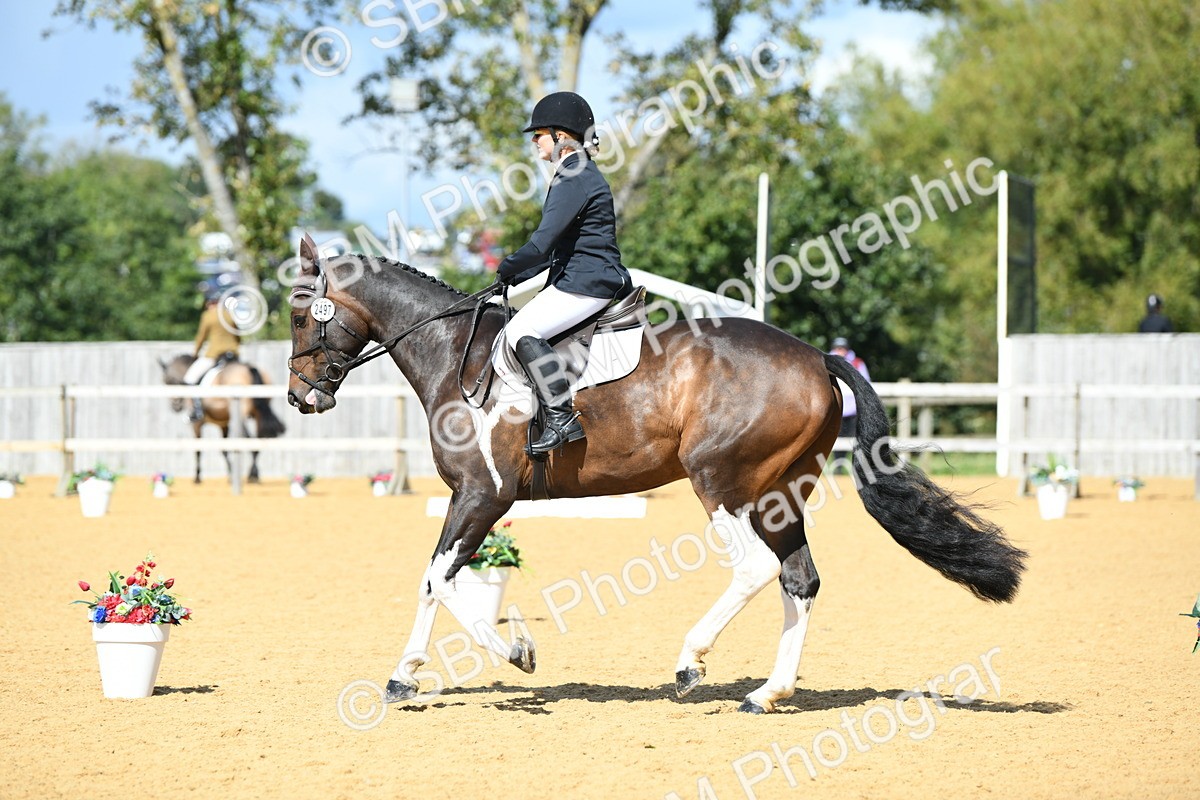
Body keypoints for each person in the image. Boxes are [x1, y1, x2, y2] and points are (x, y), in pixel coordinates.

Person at [496, 91, 633, 458]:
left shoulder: (573, 175)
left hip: (587, 281)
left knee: (521, 330)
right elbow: (557, 249)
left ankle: (561, 418)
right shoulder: (576, 173)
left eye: (538, 134)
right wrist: (516, 277)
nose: (533, 141)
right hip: (582, 276)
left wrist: (506, 266)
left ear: (561, 136)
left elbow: (540, 245)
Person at [184, 292, 241, 421]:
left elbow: (201, 337)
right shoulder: (229, 314)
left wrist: (195, 353)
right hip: (233, 355)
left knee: (190, 378)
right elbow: (237, 335)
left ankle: (197, 410)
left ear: (209, 303)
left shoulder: (208, 316)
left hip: (215, 355)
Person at [829, 337, 871, 466]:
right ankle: (838, 469)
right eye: (838, 348)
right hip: (836, 409)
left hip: (853, 410)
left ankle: (856, 469)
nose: (840, 350)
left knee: (855, 443)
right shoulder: (828, 362)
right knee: (835, 442)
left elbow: (866, 383)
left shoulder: (857, 363)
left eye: (842, 348)